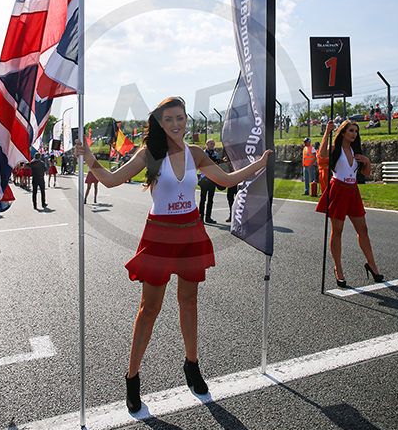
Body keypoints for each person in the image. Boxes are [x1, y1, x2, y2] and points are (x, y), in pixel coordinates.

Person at [74, 96, 272, 413]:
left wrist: (259, 164)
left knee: (189, 301)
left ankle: (192, 365)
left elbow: (227, 180)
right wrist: (90, 159)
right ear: (159, 123)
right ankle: (133, 377)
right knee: (149, 308)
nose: (176, 124)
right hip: (159, 234)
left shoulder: (195, 153)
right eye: (169, 119)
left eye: (180, 118)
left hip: (192, 231)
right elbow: (111, 181)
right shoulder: (149, 154)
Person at [316, 120, 383, 288]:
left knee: (363, 230)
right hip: (338, 189)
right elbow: (322, 155)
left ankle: (372, 266)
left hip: (352, 191)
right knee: (337, 231)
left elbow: (366, 174)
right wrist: (327, 132)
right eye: (351, 130)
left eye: (356, 131)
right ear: (343, 132)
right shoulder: (335, 149)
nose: (354, 134)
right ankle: (338, 269)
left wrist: (367, 161)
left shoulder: (356, 151)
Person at [198, 139, 220, 223]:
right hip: (204, 179)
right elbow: (199, 165)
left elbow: (217, 166)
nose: (212, 145)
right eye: (211, 144)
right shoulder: (202, 154)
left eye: (213, 144)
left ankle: (208, 217)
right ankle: (201, 218)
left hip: (213, 179)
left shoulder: (216, 154)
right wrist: (203, 176)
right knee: (202, 200)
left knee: (210, 199)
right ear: (207, 144)